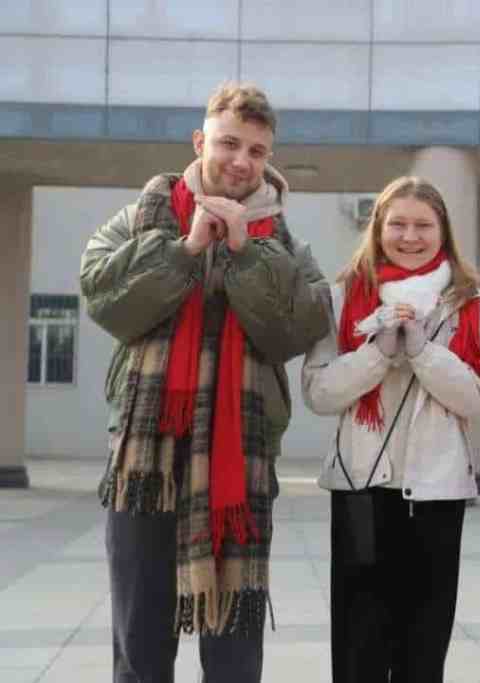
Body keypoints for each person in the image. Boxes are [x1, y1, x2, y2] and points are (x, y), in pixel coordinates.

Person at [79, 82, 330, 682]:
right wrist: (185, 249)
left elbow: (294, 330)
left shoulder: (287, 246)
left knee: (234, 651)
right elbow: (105, 300)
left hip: (237, 466)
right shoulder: (139, 219)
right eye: (229, 143)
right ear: (200, 141)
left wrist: (245, 254)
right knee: (140, 640)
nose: (242, 162)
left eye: (258, 151)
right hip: (146, 466)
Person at [302, 176, 480, 683]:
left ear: (443, 232)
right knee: (358, 652)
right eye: (398, 224)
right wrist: (379, 353)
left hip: (436, 493)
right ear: (378, 228)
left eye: (423, 225)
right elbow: (319, 393)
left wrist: (421, 351)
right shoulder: (342, 294)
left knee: (422, 650)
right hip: (361, 492)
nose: (410, 237)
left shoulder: (469, 302)